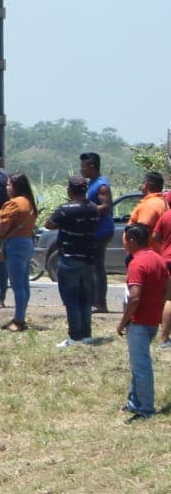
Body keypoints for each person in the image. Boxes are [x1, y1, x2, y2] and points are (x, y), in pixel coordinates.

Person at [119, 222, 166, 421]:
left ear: (132, 240)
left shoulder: (137, 263)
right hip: (152, 320)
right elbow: (167, 288)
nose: (124, 245)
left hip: (138, 321)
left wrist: (123, 322)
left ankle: (145, 408)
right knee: (137, 364)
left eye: (125, 240)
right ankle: (134, 400)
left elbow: (135, 297)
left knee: (141, 366)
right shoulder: (158, 259)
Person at [46, 177, 101, 347]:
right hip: (89, 258)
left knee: (71, 300)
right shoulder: (93, 208)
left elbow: (49, 225)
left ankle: (74, 336)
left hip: (70, 258)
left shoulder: (65, 209)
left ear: (70, 190)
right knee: (85, 298)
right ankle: (86, 334)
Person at [0, 173, 38, 333]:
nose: (7, 187)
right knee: (24, 283)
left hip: (15, 244)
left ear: (16, 186)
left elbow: (3, 225)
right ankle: (21, 315)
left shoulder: (14, 204)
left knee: (17, 285)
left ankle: (18, 320)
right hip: (27, 242)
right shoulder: (29, 202)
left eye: (9, 184)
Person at [82, 151, 116, 312]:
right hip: (93, 231)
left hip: (101, 231)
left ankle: (100, 303)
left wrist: (86, 208)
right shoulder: (91, 183)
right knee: (92, 266)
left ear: (92, 167)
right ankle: (93, 300)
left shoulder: (102, 185)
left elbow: (106, 207)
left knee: (97, 267)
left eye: (84, 166)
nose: (81, 169)